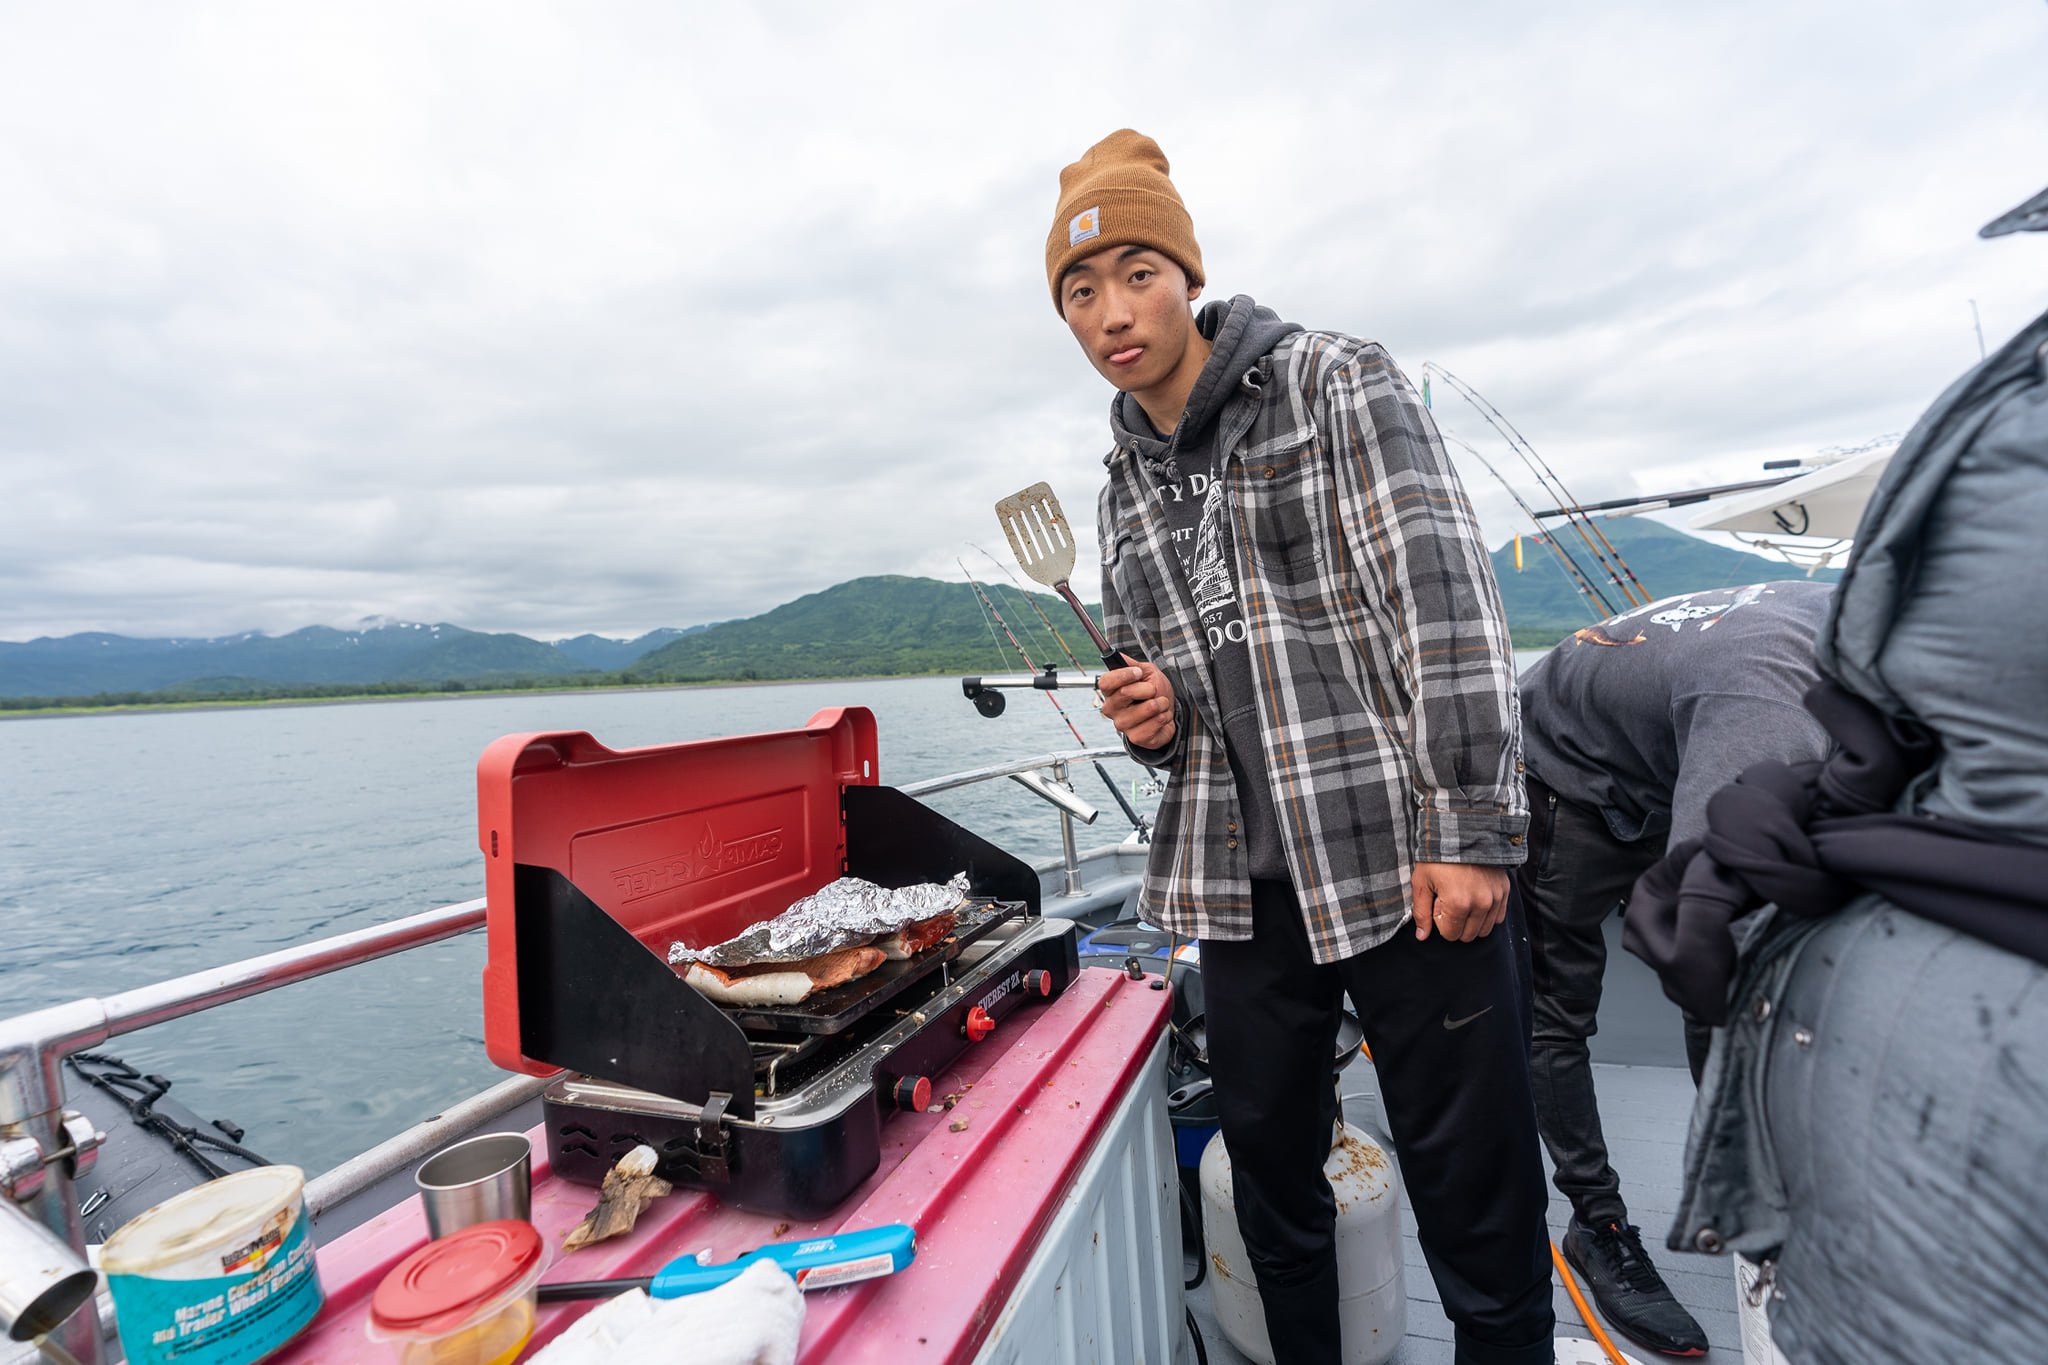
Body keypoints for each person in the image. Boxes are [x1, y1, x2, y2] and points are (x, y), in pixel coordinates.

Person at [1049, 129, 1553, 1365]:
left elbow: (1443, 602)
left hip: (1399, 862)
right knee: (1274, 1196)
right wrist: (1156, 722)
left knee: (1473, 1199)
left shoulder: (1330, 380)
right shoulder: (1120, 485)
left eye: (1136, 273)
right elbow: (1178, 704)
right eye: (1079, 290)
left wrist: (1471, 826)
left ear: (1185, 272)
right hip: (1238, 892)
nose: (1113, 311)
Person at [1515, 580, 1833, 1357]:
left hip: (1661, 749)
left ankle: (1752, 1172)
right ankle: (1599, 1225)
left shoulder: (1862, 631)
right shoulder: (1765, 694)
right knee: (1560, 1014)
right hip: (1562, 773)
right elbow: (1710, 932)